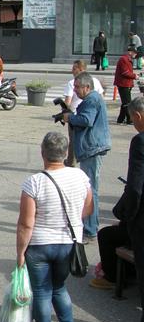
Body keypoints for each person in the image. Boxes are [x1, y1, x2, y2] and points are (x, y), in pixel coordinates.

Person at [16, 132, 92, 322]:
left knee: (41, 291)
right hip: (68, 242)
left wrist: (20, 252)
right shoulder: (80, 176)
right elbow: (87, 209)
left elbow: (26, 224)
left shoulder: (34, 182)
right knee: (59, 288)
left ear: (43, 154)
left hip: (39, 244)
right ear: (66, 153)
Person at [64, 72, 111, 241]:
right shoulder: (92, 99)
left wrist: (70, 117)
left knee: (90, 191)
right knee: (90, 189)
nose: (75, 90)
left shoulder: (91, 99)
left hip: (92, 148)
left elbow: (86, 120)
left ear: (87, 87)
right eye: (74, 87)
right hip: (92, 147)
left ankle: (90, 229)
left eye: (77, 87)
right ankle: (89, 226)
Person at [114, 97, 144, 322]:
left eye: (133, 119)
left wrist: (127, 214)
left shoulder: (141, 141)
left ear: (139, 117)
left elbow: (135, 188)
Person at [63, 60, 105, 167]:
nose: (72, 71)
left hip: (77, 117)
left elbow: (68, 102)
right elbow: (102, 98)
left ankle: (71, 162)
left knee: (74, 140)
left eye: (74, 68)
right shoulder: (94, 82)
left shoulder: (73, 84)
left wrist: (68, 116)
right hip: (93, 125)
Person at [114, 45, 138, 125]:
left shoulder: (127, 59)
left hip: (126, 83)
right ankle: (129, 119)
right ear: (130, 52)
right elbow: (125, 72)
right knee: (127, 103)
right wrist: (135, 76)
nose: (135, 54)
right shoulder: (124, 59)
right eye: (134, 53)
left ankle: (121, 119)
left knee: (125, 102)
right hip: (123, 83)